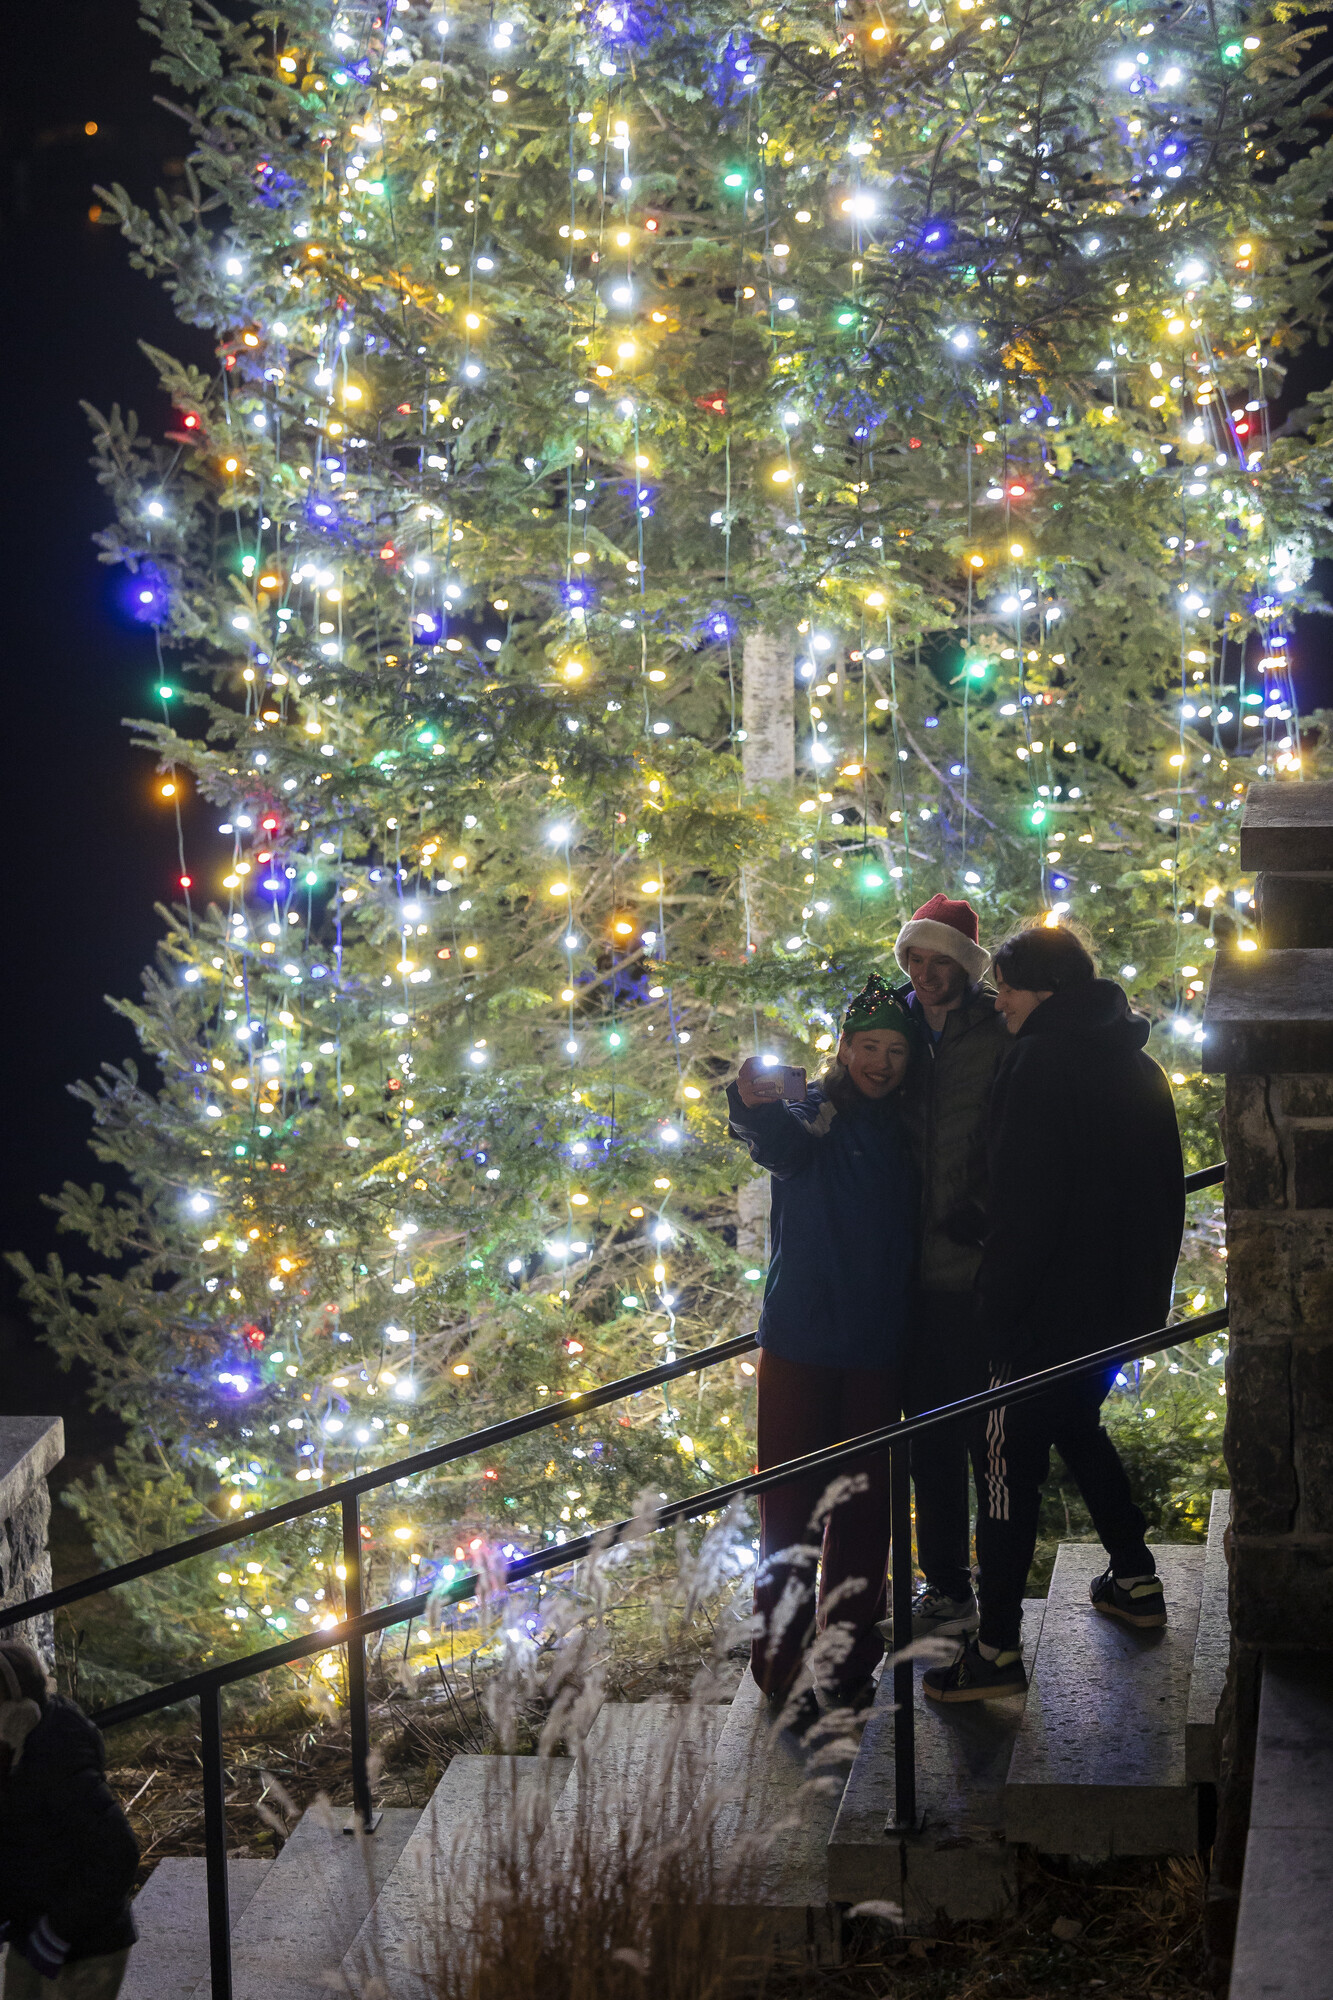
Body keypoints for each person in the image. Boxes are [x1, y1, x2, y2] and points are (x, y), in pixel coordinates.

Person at [924, 923, 1186, 1702]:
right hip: (1111, 1311)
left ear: (1042, 991)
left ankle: (996, 1649)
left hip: (1042, 1313)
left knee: (1000, 1457)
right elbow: (1148, 1198)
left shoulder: (1035, 1062)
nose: (996, 999)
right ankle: (1134, 1579)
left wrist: (997, 1308)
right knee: (1075, 1423)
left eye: (1004, 984)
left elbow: (1032, 1204)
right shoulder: (1134, 1064)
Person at [727, 974, 919, 1731]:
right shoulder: (814, 1112)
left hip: (878, 1342)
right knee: (788, 1511)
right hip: (803, 1339)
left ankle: (843, 1662)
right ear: (842, 1050)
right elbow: (778, 1143)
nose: (880, 1062)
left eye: (895, 1050)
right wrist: (750, 1102)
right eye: (868, 1047)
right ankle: (779, 1665)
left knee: (866, 1513)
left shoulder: (912, 1124)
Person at [891, 893, 1008, 1637]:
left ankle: (998, 1595)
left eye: (941, 962)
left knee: (988, 1444)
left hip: (978, 1274)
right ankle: (945, 1586)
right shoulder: (887, 1024)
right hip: (906, 1276)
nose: (927, 973)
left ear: (964, 968)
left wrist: (993, 1213)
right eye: (915, 958)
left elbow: (1030, 1129)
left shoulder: (998, 1028)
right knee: (924, 1441)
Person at [0, 1642, 139, 2000]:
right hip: (31, 1931)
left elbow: (118, 1852)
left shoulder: (58, 1759)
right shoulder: (12, 1754)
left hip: (84, 1950)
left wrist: (58, 1931)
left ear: (19, 1713)